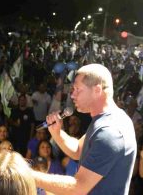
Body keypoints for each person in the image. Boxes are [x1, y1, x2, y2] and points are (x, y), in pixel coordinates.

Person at [31, 64, 137, 194]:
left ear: (97, 90)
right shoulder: (108, 120)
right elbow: (78, 150)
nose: (72, 95)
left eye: (77, 89)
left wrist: (28, 176)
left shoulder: (110, 131)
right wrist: (57, 133)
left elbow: (78, 187)